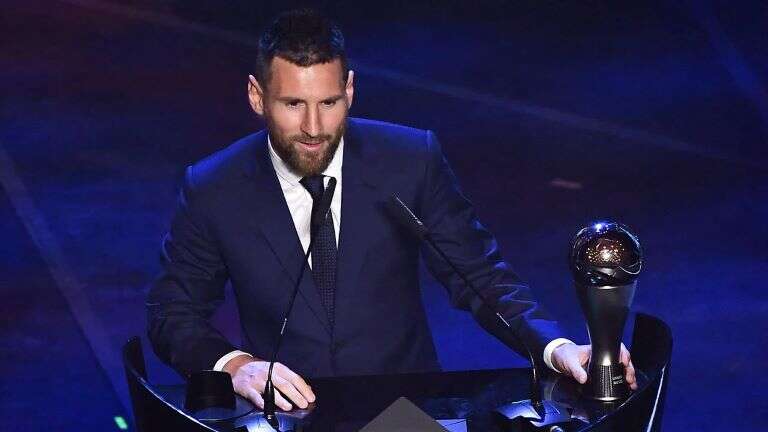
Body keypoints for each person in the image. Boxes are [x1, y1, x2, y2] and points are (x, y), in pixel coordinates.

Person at [147, 8, 636, 412]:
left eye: (330, 102)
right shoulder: (214, 186)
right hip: (287, 414)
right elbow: (172, 313)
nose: (314, 126)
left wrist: (556, 349)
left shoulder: (410, 161)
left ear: (350, 90)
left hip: (405, 411)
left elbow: (480, 277)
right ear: (257, 97)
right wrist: (236, 366)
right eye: (293, 104)